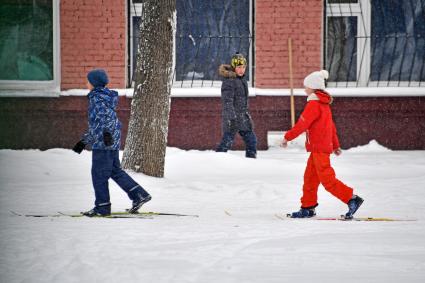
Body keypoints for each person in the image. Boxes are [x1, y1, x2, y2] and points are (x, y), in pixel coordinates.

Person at [281, 70, 363, 219]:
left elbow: (302, 124)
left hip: (319, 149)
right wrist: (336, 145)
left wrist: (287, 137)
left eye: (306, 86)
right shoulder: (324, 105)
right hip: (318, 148)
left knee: (327, 179)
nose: (305, 89)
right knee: (310, 179)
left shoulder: (314, 104)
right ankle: (308, 207)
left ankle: (352, 199)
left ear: (313, 87)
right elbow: (331, 127)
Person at [72, 68, 151, 217]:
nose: (86, 83)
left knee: (99, 175)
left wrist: (86, 140)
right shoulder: (106, 97)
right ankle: (139, 194)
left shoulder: (97, 97)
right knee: (115, 171)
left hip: (103, 142)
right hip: (111, 141)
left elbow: (101, 119)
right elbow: (105, 120)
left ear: (94, 83)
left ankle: (102, 207)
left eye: (88, 81)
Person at [216, 53, 257, 158]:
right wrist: (232, 118)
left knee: (251, 141)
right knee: (227, 143)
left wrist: (246, 114)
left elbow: (243, 100)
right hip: (232, 119)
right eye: (239, 67)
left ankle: (251, 163)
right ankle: (216, 161)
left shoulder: (242, 80)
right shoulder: (229, 81)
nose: (242, 70)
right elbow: (227, 102)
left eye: (243, 67)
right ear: (234, 67)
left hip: (243, 117)